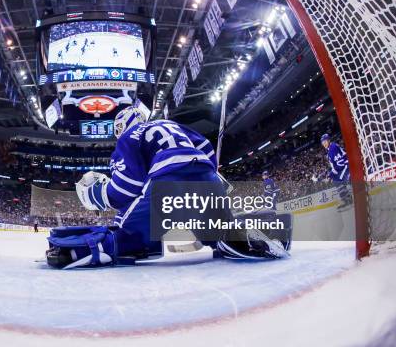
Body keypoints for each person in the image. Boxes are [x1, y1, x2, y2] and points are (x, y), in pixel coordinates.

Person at [45, 107, 291, 269]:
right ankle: (270, 227)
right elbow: (207, 151)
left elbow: (125, 189)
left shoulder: (128, 138)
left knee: (125, 233)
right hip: (207, 178)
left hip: (168, 181)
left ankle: (75, 252)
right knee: (216, 234)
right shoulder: (172, 125)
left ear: (122, 125)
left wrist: (98, 196)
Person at [321, 134, 352, 210]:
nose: (324, 144)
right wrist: (330, 174)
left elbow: (340, 164)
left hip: (346, 166)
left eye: (325, 141)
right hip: (343, 167)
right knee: (337, 181)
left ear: (329, 140)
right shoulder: (330, 150)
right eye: (322, 142)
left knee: (338, 181)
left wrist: (330, 175)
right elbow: (336, 166)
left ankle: (348, 199)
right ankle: (348, 199)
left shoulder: (333, 148)